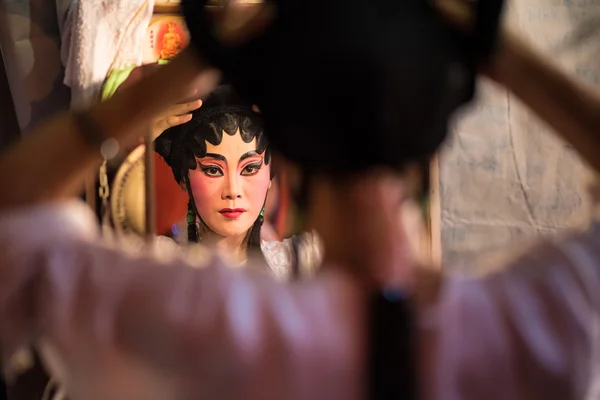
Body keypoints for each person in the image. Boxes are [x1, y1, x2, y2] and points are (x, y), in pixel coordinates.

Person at [0, 2, 599, 400]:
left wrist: (191, 66)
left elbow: (13, 214)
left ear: (275, 165)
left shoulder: (207, 328)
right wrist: (501, 55)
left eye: (247, 165)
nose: (233, 187)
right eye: (214, 169)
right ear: (428, 154)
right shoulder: (532, 330)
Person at [154, 84, 321, 278]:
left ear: (270, 174)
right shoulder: (158, 263)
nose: (233, 190)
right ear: (184, 178)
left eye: (250, 168)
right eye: (213, 170)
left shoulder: (301, 263)